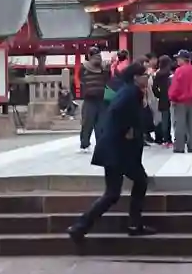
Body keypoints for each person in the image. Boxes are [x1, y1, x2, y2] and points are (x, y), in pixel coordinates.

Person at [67, 63, 157, 240]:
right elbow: (117, 112)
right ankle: (133, 224)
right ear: (135, 77)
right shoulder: (131, 92)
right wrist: (127, 129)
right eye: (145, 75)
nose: (147, 78)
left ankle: (80, 227)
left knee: (114, 193)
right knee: (135, 183)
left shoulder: (129, 90)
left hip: (116, 149)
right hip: (119, 150)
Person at [168, 49, 192, 153]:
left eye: (178, 58)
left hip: (180, 101)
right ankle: (191, 146)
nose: (177, 60)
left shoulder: (179, 71)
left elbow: (175, 86)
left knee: (179, 124)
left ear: (183, 59)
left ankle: (179, 147)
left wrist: (172, 97)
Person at [77, 48, 109, 152]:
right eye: (96, 56)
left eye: (99, 56)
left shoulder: (104, 68)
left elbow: (108, 80)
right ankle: (86, 144)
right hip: (91, 100)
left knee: (100, 124)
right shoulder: (84, 68)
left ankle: (98, 145)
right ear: (90, 56)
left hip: (100, 100)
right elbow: (81, 79)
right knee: (89, 123)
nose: (98, 58)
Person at [152, 55, 174, 146]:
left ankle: (165, 138)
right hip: (171, 98)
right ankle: (169, 139)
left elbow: (154, 87)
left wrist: (159, 95)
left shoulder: (158, 74)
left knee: (164, 119)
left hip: (163, 99)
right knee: (170, 120)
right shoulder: (170, 74)